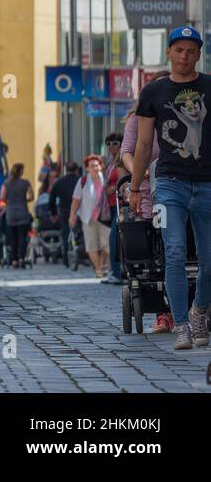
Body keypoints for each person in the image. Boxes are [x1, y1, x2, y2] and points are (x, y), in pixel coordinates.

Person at [133, 27, 211, 351]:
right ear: (169, 52)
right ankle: (181, 325)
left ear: (198, 54)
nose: (184, 56)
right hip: (169, 184)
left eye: (190, 51)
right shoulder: (153, 92)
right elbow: (143, 142)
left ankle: (199, 311)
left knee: (209, 260)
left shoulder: (209, 86)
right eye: (178, 50)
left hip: (207, 184)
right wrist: (136, 187)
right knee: (175, 253)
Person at [120, 104, 172, 332]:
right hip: (149, 190)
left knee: (183, 250)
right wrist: (139, 173)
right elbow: (127, 153)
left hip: (183, 187)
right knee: (158, 248)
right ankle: (164, 311)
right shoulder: (138, 120)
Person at [69, 156, 112, 279]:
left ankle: (103, 264)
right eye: (92, 165)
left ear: (101, 166)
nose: (95, 167)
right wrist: (72, 214)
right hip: (88, 218)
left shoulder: (106, 180)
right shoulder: (83, 181)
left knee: (108, 244)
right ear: (87, 168)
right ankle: (98, 269)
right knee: (91, 245)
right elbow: (76, 200)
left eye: (97, 165)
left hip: (104, 218)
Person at [100, 132, 127, 284]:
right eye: (108, 143)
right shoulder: (111, 161)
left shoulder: (122, 158)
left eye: (115, 143)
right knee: (115, 237)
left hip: (121, 203)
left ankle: (118, 272)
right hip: (111, 204)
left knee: (115, 238)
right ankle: (116, 271)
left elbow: (125, 179)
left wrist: (113, 188)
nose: (111, 146)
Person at [0, 163, 34, 268]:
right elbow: (32, 196)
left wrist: (9, 201)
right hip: (23, 212)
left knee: (13, 238)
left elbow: (2, 197)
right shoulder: (25, 182)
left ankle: (13, 260)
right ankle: (21, 259)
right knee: (22, 238)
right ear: (20, 171)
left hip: (11, 213)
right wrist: (24, 200)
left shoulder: (6, 183)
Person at [49, 162, 80, 266]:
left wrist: (53, 213)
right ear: (76, 170)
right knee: (80, 234)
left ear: (65, 170)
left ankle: (67, 259)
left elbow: (51, 199)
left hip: (64, 212)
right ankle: (81, 255)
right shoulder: (80, 181)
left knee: (66, 234)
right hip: (79, 211)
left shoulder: (59, 182)